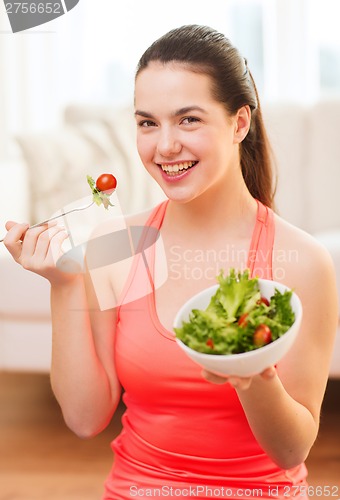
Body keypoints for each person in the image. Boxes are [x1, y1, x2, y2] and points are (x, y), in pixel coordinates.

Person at [3, 25, 338, 499]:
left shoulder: (303, 261)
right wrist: (65, 285)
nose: (164, 146)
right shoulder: (116, 243)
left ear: (239, 123)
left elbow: (291, 450)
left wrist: (252, 374)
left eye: (188, 120)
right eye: (147, 122)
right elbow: (85, 419)